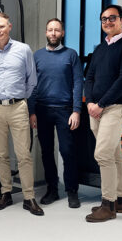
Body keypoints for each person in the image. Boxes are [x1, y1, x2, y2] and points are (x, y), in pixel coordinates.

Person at [0, 12, 44, 216]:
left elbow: (32, 80)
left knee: (23, 155)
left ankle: (29, 197)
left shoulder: (23, 50)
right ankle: (5, 193)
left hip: (18, 107)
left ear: (9, 27)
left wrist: (20, 99)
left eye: (1, 27)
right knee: (0, 154)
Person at [84, 5, 122, 223]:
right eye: (104, 19)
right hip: (96, 108)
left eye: (112, 18)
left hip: (116, 107)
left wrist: (101, 104)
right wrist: (91, 102)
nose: (107, 22)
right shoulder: (101, 48)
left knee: (102, 154)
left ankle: (107, 205)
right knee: (115, 153)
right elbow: (89, 77)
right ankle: (120, 200)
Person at [28, 18, 83, 208]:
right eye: (50, 30)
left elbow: (78, 84)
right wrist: (32, 111)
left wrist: (76, 111)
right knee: (46, 152)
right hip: (42, 110)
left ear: (62, 33)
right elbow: (32, 86)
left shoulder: (71, 55)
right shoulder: (37, 56)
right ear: (46, 32)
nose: (53, 33)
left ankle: (72, 191)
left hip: (65, 111)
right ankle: (52, 189)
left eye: (57, 30)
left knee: (67, 151)